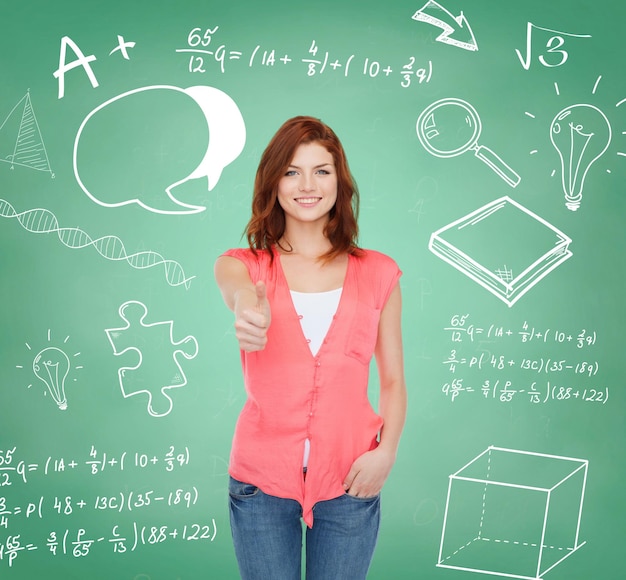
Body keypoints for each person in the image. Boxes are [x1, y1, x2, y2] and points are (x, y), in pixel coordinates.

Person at [214, 116, 407, 579]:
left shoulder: (379, 272)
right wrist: (248, 312)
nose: (307, 185)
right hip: (260, 482)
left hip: (351, 480)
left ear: (339, 181)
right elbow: (238, 291)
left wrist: (387, 452)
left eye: (322, 171)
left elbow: (394, 380)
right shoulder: (244, 266)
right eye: (292, 171)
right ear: (273, 182)